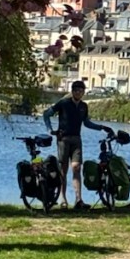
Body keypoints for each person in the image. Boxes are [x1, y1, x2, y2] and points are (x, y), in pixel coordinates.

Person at [42, 80, 113, 210]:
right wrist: (50, 130)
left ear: (83, 92)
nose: (78, 93)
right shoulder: (63, 103)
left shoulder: (83, 106)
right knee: (63, 170)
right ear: (72, 91)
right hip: (63, 139)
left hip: (76, 139)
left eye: (81, 91)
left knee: (76, 168)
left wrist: (102, 127)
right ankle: (63, 199)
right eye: (76, 90)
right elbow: (46, 114)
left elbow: (86, 123)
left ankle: (78, 200)